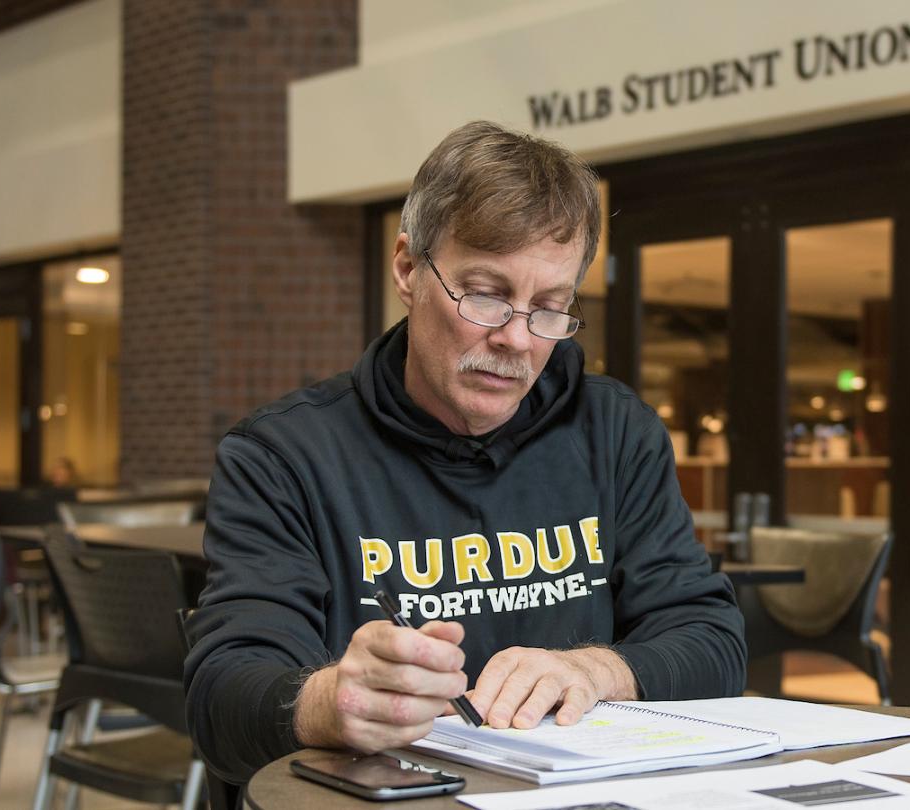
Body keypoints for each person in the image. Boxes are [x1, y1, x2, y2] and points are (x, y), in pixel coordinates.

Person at [184, 121, 745, 786]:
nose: (517, 338)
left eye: (549, 307)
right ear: (407, 268)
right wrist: (334, 702)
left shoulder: (617, 432)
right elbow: (221, 698)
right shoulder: (282, 456)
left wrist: (596, 671)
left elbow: (714, 641)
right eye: (486, 294)